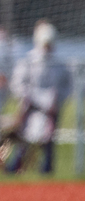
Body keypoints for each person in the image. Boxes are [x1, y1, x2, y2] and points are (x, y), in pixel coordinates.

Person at [1, 21, 73, 175]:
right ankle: (16, 167)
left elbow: (67, 86)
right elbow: (18, 83)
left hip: (50, 108)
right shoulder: (28, 61)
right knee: (24, 138)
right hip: (31, 107)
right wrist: (29, 97)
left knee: (48, 139)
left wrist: (57, 99)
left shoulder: (59, 63)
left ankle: (46, 169)